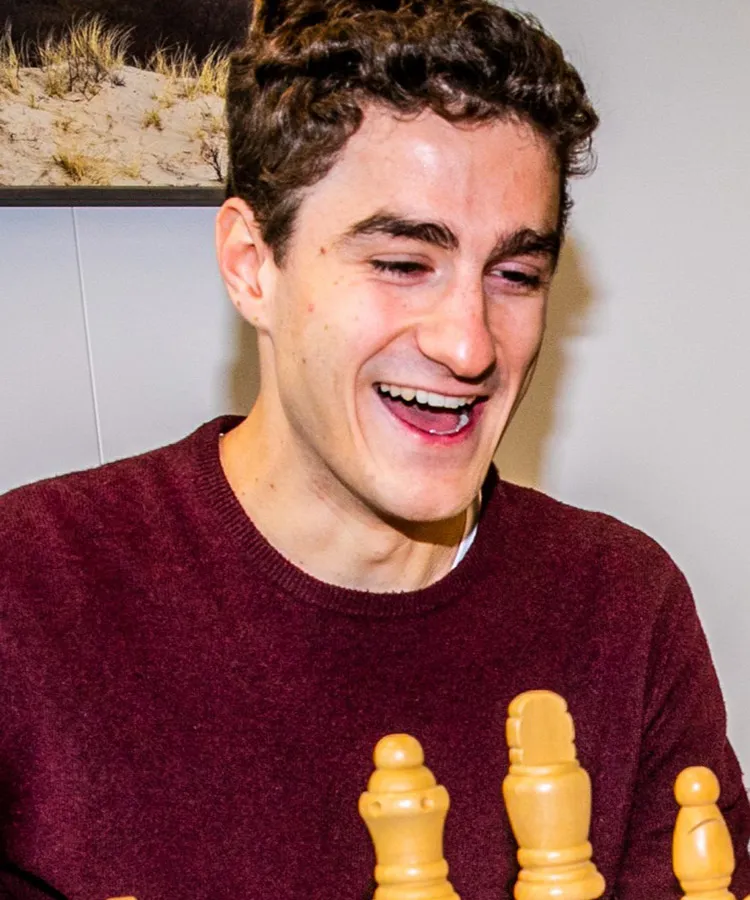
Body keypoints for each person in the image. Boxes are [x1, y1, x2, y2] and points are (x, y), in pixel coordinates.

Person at [1, 1, 748, 897]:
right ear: (251, 264)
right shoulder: (28, 589)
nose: (469, 345)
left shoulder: (622, 603)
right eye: (401, 263)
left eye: (515, 274)